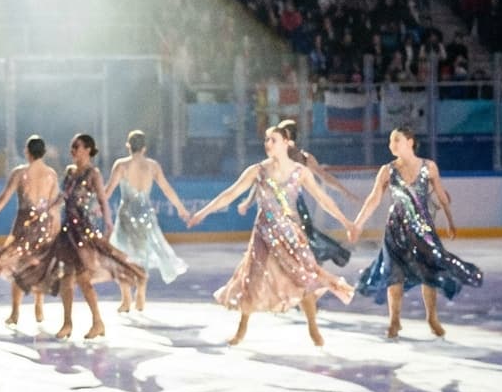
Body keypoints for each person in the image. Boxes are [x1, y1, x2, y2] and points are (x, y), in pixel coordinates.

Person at [188, 125, 356, 346]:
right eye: (266, 140)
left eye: (273, 139)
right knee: (253, 280)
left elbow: (323, 199)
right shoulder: (257, 170)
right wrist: (203, 212)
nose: (268, 144)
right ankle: (241, 330)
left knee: (303, 278)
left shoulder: (300, 171)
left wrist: (345, 221)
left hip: (291, 235)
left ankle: (313, 327)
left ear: (286, 142)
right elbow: (230, 193)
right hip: (263, 236)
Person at [348, 126, 483, 338]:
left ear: (410, 141)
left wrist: (450, 220)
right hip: (395, 230)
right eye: (391, 141)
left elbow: (441, 195)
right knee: (395, 276)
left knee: (429, 274)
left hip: (423, 231)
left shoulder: (429, 167)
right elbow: (373, 199)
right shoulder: (387, 170)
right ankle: (394, 321)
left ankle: (432, 318)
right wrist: (357, 224)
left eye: (396, 140)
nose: (391, 145)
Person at [42, 133, 145, 340]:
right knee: (66, 279)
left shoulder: (93, 173)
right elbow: (63, 196)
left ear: (88, 149)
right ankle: (67, 323)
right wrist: (48, 209)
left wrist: (107, 222)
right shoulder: (70, 172)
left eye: (76, 147)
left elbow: (102, 200)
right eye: (71, 148)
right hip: (67, 231)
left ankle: (97, 322)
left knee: (83, 279)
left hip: (83, 231)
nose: (73, 151)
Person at [237, 118, 357, 266]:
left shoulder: (290, 157)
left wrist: (248, 203)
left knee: (303, 237)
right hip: (288, 206)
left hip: (289, 206)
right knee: (300, 237)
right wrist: (345, 192)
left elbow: (260, 183)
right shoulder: (294, 157)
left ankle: (310, 264)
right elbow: (325, 178)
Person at [102, 130, 191, 312]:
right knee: (141, 255)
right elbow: (167, 189)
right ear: (144, 148)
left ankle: (126, 299)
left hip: (126, 215)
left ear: (128, 145)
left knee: (122, 257)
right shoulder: (153, 166)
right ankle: (141, 292)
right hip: (145, 215)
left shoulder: (121, 165)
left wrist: (96, 206)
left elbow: (108, 191)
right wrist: (181, 208)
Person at [0, 135, 59, 328]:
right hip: (44, 226)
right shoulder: (51, 174)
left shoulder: (20, 172)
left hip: (24, 227)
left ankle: (15, 312)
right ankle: (39, 306)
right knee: (38, 266)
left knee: (18, 268)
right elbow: (54, 206)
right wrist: (55, 227)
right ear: (43, 152)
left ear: (27, 152)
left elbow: (4, 196)